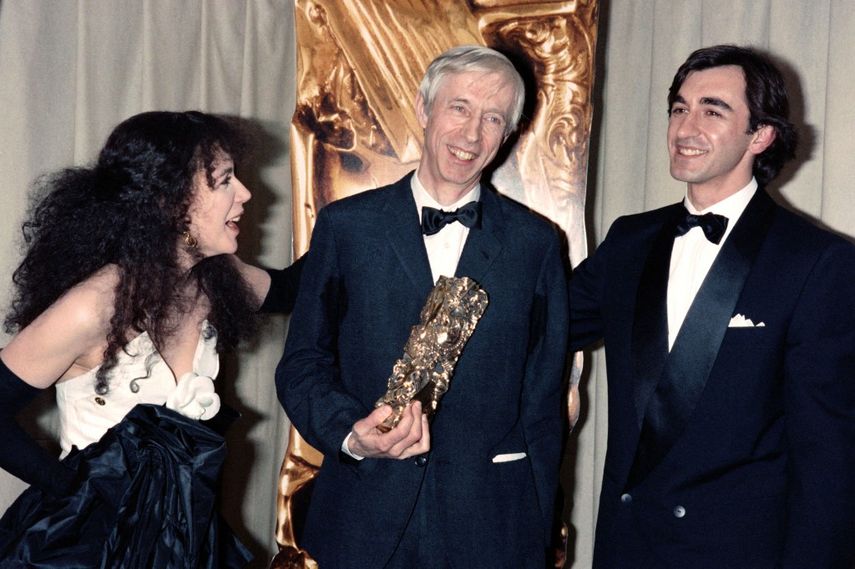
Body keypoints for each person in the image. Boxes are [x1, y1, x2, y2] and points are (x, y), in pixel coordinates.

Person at [276, 45, 569, 567]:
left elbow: (543, 403)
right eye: (459, 107)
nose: (472, 134)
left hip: (491, 528)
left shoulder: (536, 245)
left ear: (508, 134)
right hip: (362, 521)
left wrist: (535, 532)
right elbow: (302, 364)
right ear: (424, 108)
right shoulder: (347, 227)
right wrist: (353, 435)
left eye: (493, 118)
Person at [569, 44, 855, 568]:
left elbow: (830, 464)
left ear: (761, 135)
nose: (685, 127)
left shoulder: (818, 262)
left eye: (712, 110)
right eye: (679, 107)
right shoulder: (629, 241)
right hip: (626, 548)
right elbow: (539, 325)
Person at [0, 110, 301, 567]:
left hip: (187, 544)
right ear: (168, 200)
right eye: (223, 181)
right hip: (89, 549)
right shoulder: (94, 306)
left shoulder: (214, 277)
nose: (246, 194)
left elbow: (293, 288)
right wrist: (73, 485)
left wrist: (364, 218)